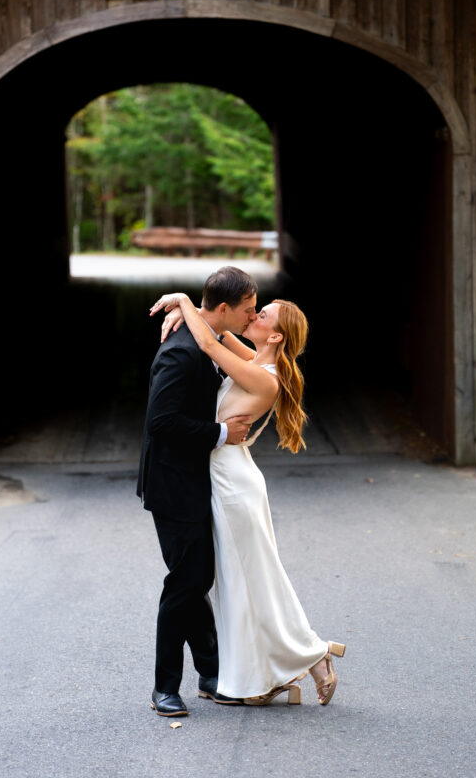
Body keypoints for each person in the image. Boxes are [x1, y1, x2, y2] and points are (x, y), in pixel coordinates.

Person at [150, 290, 346, 708]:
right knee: (239, 581)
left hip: (233, 484)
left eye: (263, 315)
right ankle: (264, 671)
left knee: (254, 578)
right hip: (222, 477)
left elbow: (207, 342)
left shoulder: (264, 375)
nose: (254, 316)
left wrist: (183, 300)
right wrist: (189, 315)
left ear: (275, 337)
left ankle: (311, 653)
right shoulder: (255, 358)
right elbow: (214, 332)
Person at [137, 266, 259, 718]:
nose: (252, 317)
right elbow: (160, 422)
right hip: (171, 483)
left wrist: (183, 301)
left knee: (196, 579)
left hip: (196, 480)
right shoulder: (181, 351)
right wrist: (221, 432)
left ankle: (211, 673)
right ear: (224, 309)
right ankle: (165, 686)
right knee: (186, 583)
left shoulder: (209, 337)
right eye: (247, 310)